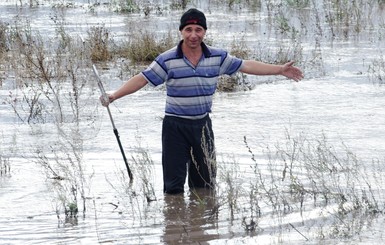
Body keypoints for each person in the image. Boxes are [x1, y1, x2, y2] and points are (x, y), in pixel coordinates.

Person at [100, 8, 304, 194]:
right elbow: (142, 78)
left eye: (198, 29)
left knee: (205, 185)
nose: (193, 35)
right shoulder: (167, 59)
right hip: (174, 128)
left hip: (202, 126)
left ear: (204, 32)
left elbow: (246, 66)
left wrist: (279, 70)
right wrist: (114, 96)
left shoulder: (217, 57)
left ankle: (200, 228)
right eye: (188, 29)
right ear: (181, 31)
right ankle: (175, 228)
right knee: (173, 187)